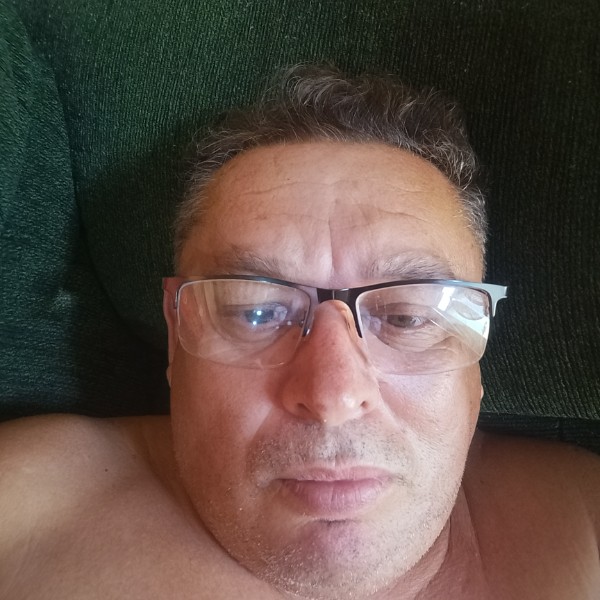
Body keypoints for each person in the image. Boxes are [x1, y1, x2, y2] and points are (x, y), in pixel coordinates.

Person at [0, 64, 598, 600]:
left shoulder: (585, 529)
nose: (333, 397)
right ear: (175, 332)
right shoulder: (22, 509)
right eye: (255, 312)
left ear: (477, 357)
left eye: (407, 317)